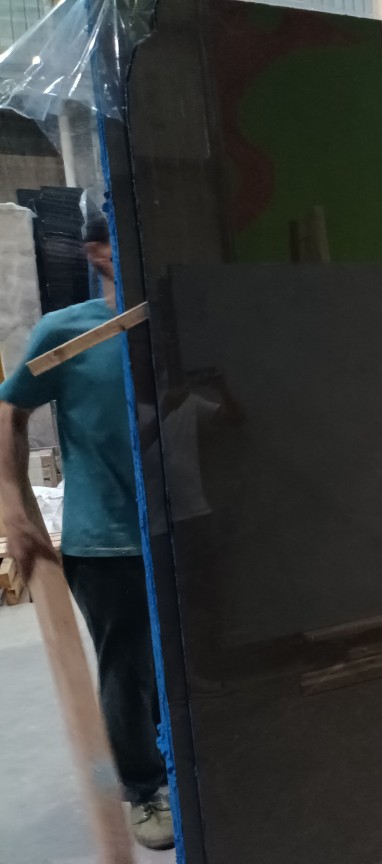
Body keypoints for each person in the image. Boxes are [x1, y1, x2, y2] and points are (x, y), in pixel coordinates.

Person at [0, 206, 174, 850]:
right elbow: (9, 410)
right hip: (105, 539)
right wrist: (13, 509)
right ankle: (145, 788)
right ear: (98, 252)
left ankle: (182, 762)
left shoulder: (178, 320)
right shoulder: (66, 332)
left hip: (183, 530)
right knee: (127, 669)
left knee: (182, 662)